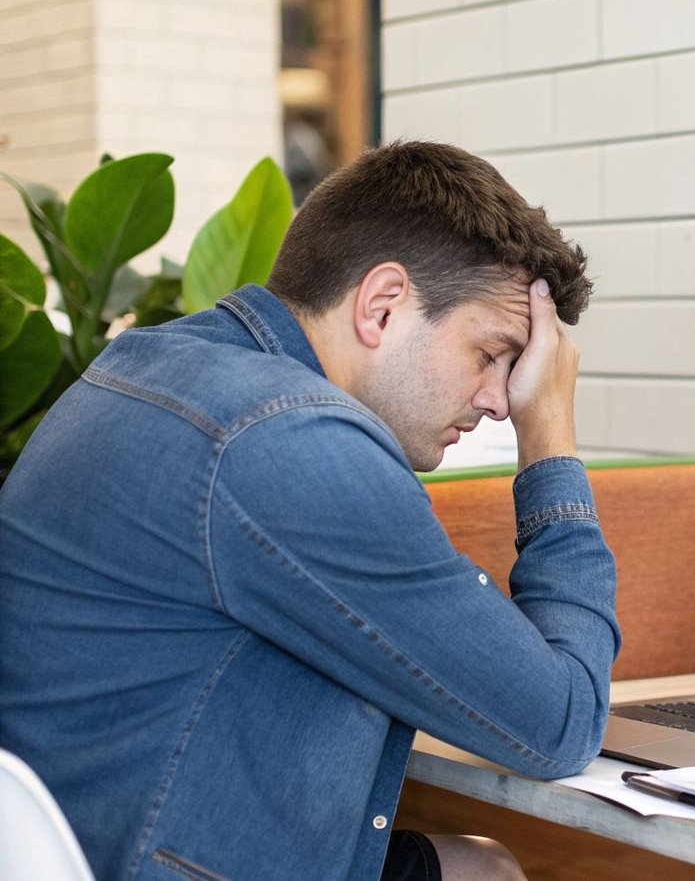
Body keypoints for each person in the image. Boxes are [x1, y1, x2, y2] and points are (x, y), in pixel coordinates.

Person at [0, 141, 621, 880]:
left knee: (481, 869)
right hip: (151, 859)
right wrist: (549, 438)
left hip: (84, 842)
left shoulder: (149, 365)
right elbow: (561, 721)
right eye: (492, 353)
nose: (500, 400)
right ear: (382, 305)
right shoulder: (291, 439)